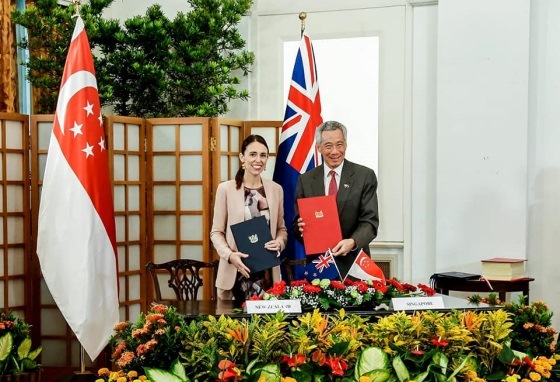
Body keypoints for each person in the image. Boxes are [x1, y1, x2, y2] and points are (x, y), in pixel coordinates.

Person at [211, 134, 288, 301]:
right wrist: (230, 255)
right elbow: (216, 233)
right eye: (252, 154)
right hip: (235, 274)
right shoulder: (225, 189)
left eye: (263, 155)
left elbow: (281, 229)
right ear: (242, 157)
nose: (258, 160)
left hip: (267, 276)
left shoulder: (276, 189)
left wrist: (280, 243)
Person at [293, 120, 379, 258]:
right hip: (320, 262)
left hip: (355, 260)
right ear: (318, 148)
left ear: (345, 145)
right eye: (328, 146)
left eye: (339, 145)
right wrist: (300, 229)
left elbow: (370, 221)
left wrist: (352, 242)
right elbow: (297, 225)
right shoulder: (306, 180)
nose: (335, 151)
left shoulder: (364, 176)